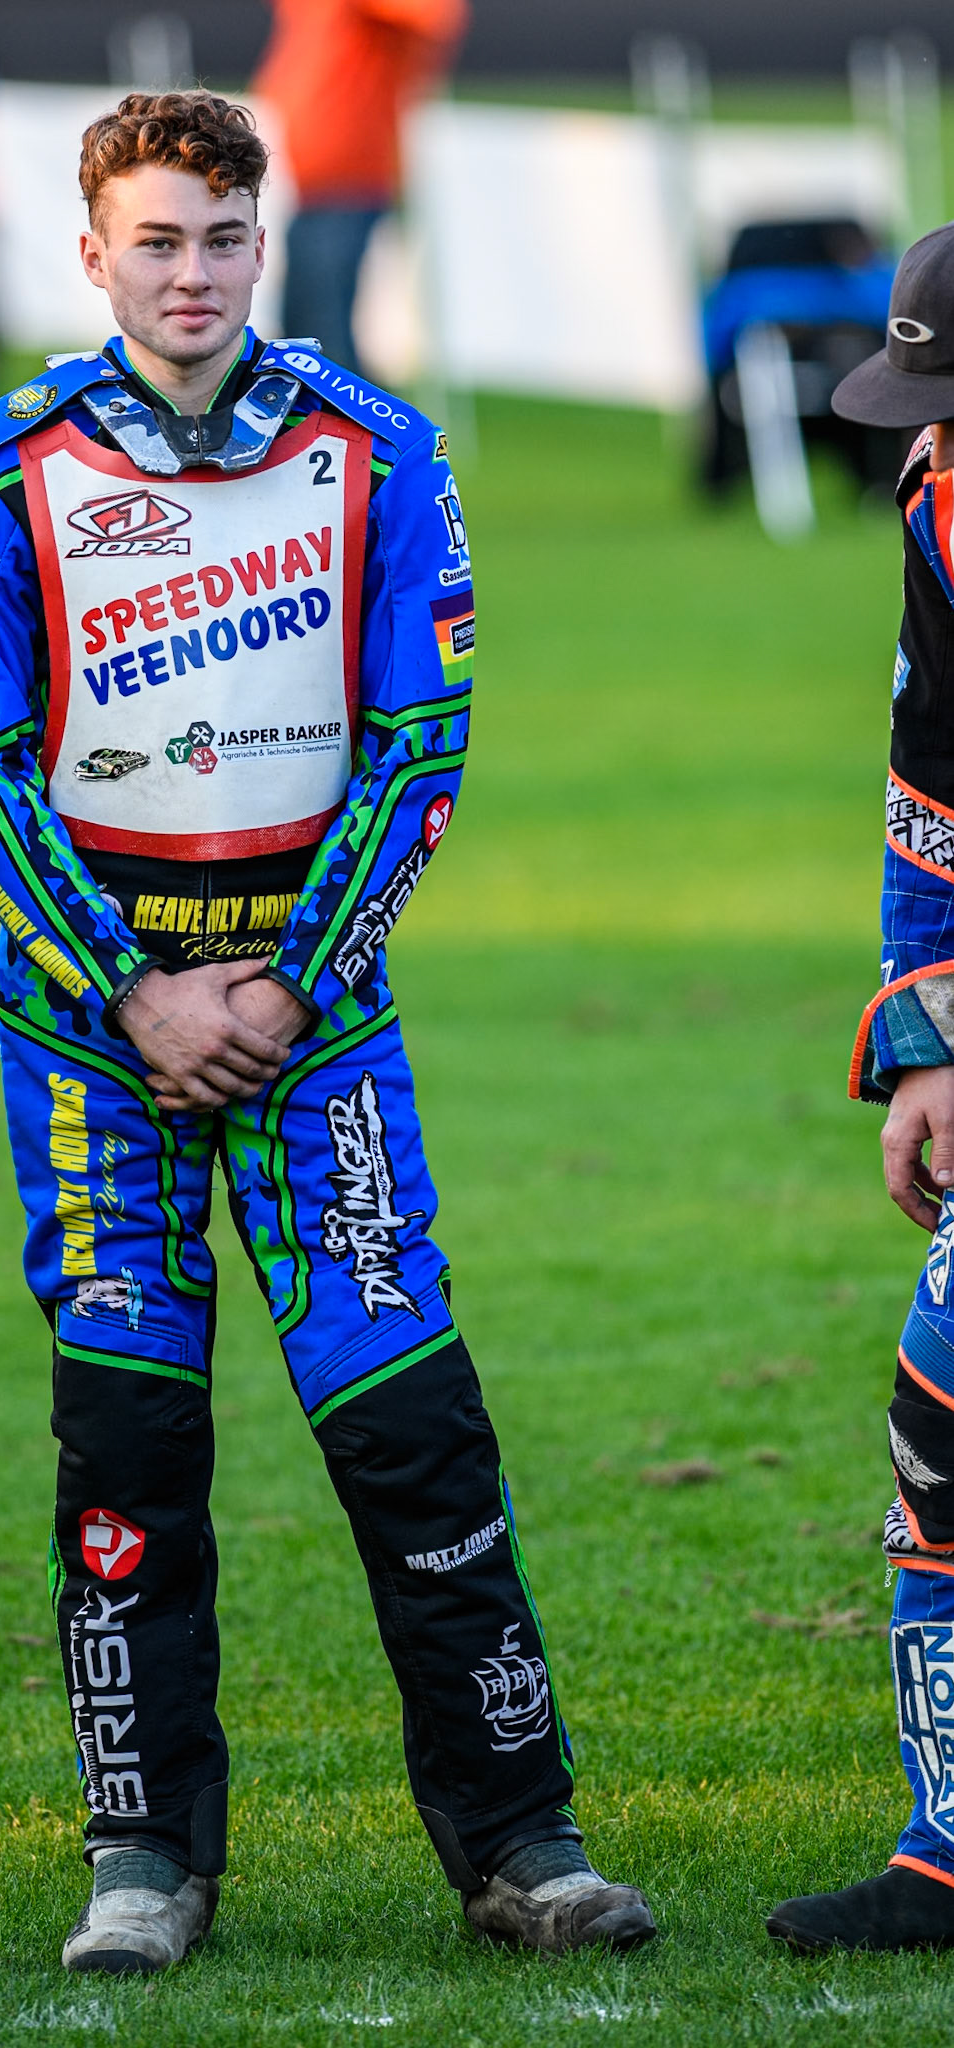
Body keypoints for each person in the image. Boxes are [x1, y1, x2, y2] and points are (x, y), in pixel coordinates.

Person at [0, 89, 657, 1975]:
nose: (191, 273)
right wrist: (136, 990)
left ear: (270, 239)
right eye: (155, 239)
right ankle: (144, 1860)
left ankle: (524, 1840)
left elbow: (422, 747)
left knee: (415, 1434)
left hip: (311, 1026)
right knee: (125, 1461)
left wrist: (281, 988)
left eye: (223, 237)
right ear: (91, 253)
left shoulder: (378, 443)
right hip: (98, 1046)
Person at [769, 222, 954, 1953]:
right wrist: (925, 1037)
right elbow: (932, 774)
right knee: (941, 1433)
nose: (935, 436)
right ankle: (947, 1852)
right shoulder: (941, 502)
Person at [254, 0, 467, 375]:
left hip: (351, 183)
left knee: (323, 332)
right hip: (313, 187)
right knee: (300, 327)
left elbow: (436, 15)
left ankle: (365, 425)